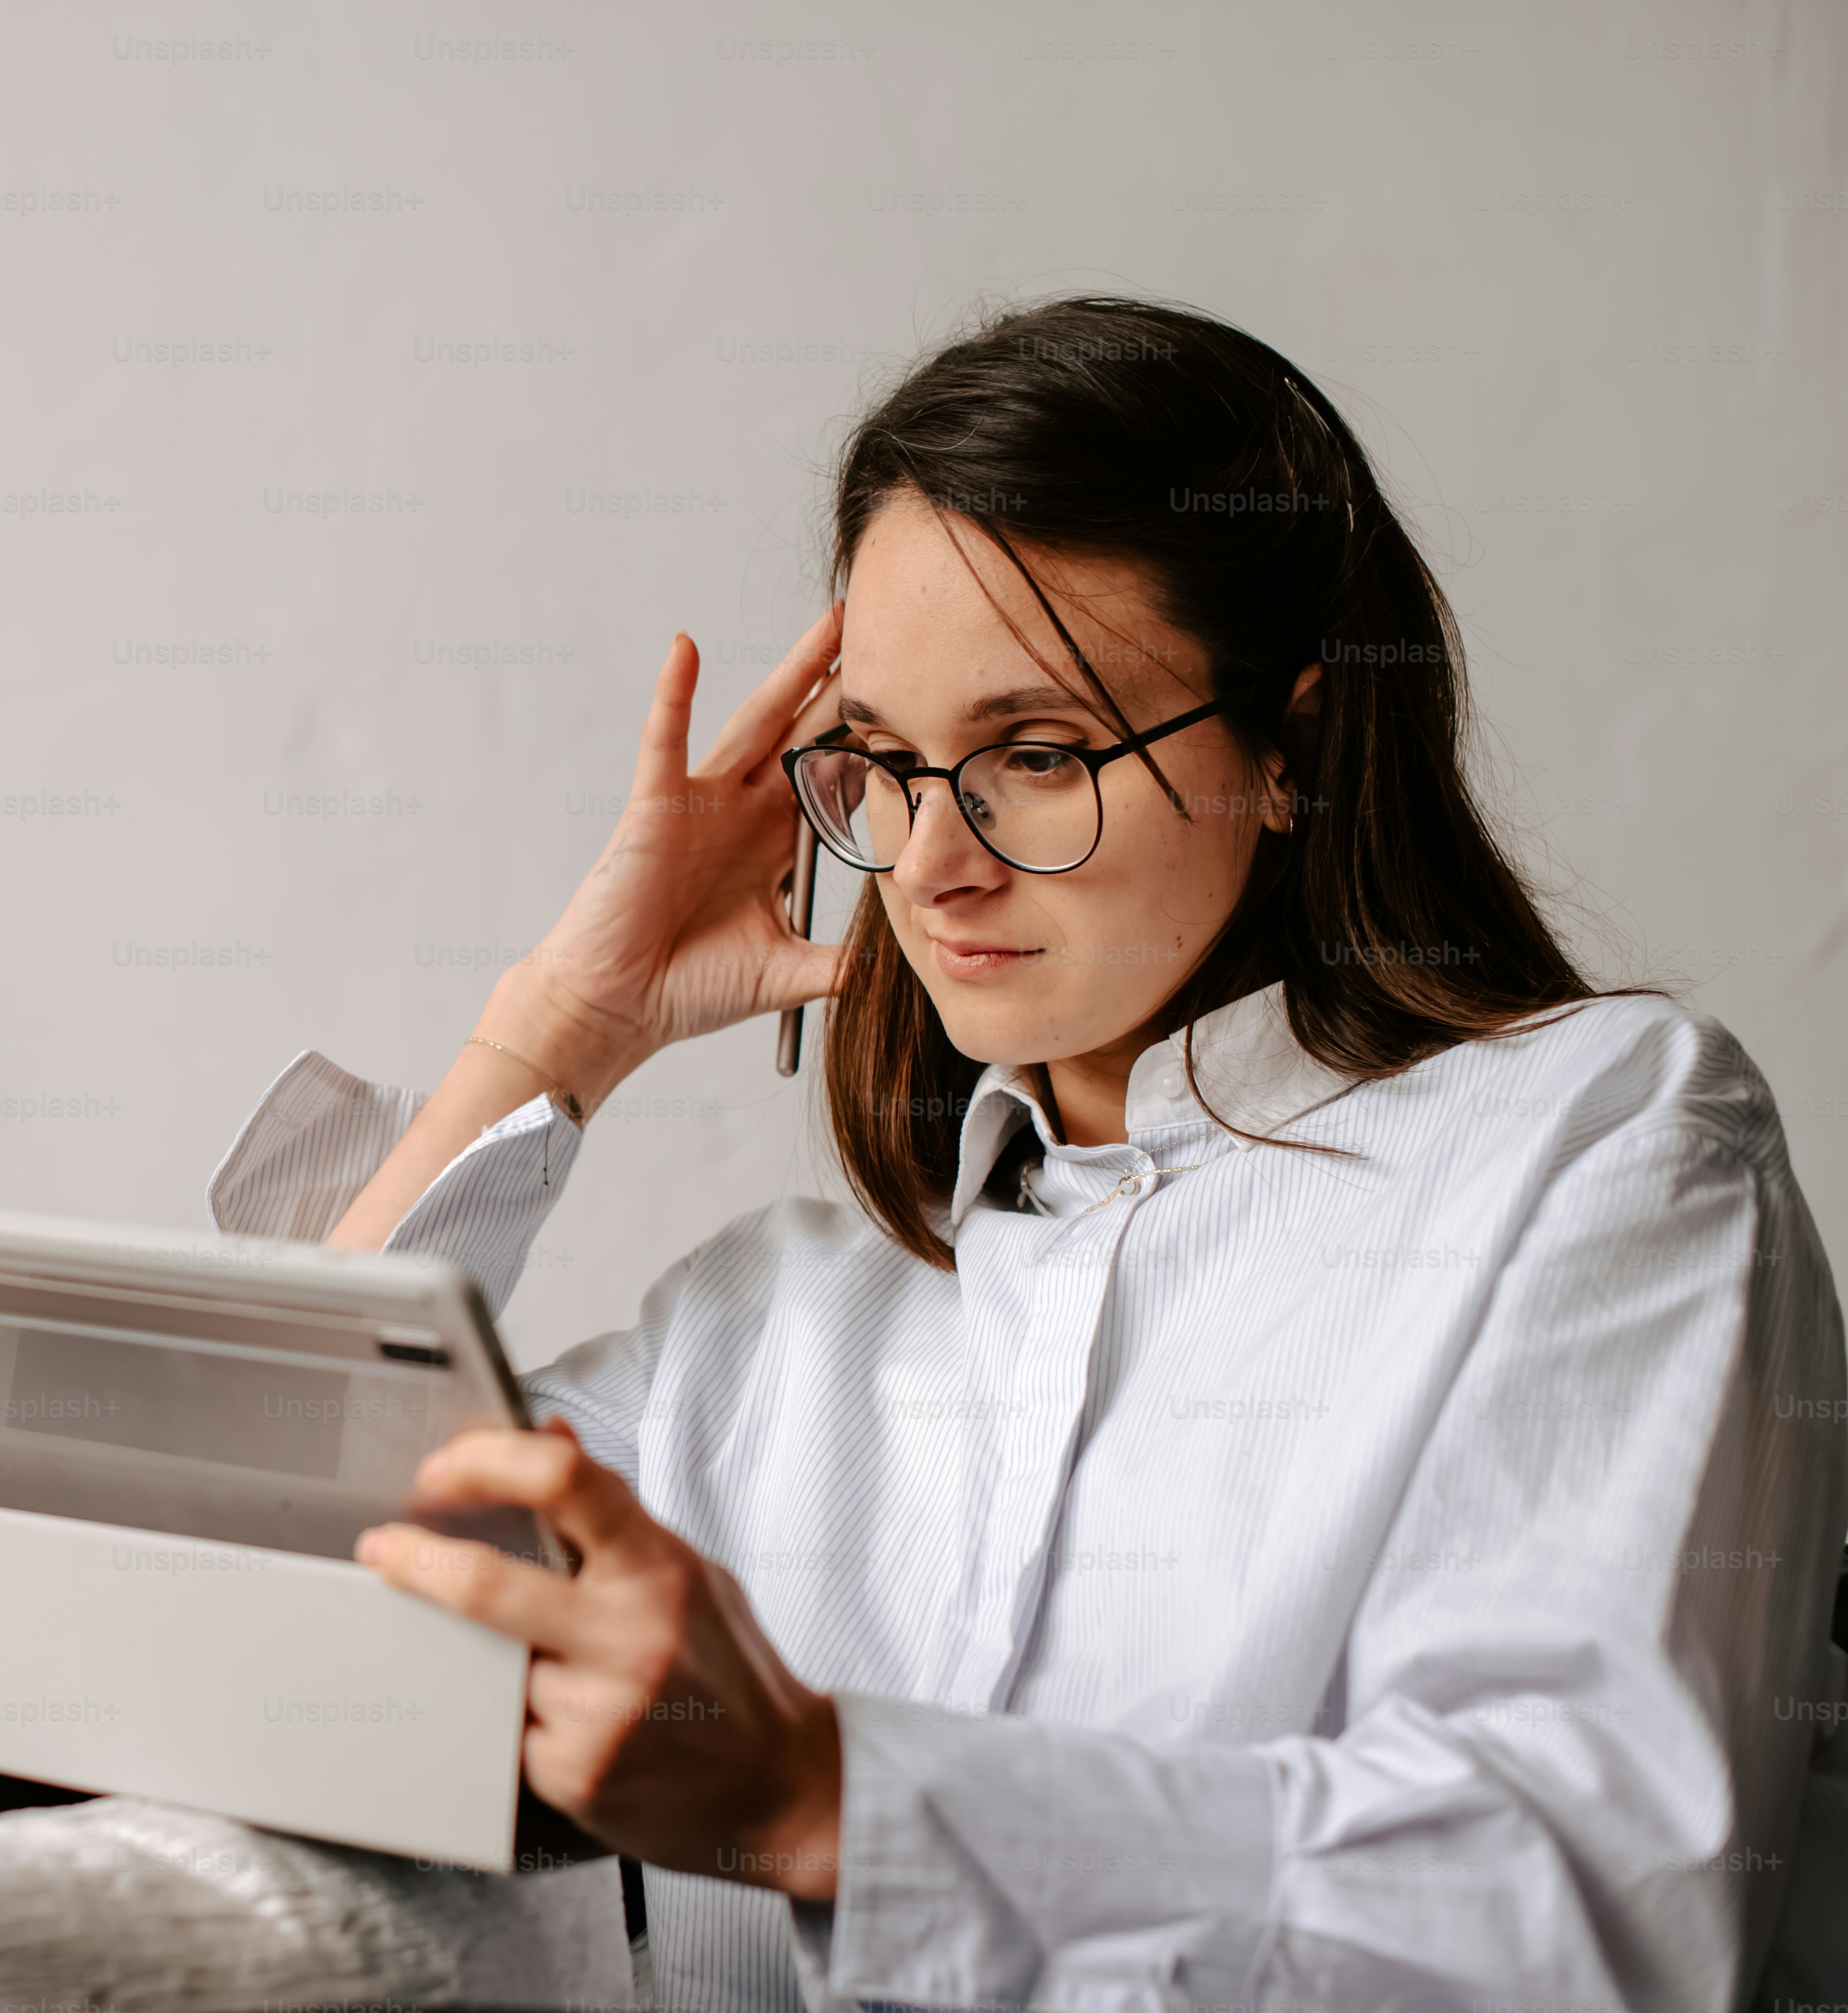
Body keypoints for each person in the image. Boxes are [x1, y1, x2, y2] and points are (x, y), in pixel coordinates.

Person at [203, 296, 1846, 2011]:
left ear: (1292, 748)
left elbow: (1582, 1913)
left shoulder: (1601, 1144)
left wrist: (829, 1795)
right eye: (891, 765)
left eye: (1037, 756)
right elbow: (247, 1546)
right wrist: (555, 1030)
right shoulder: (771, 1326)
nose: (926, 866)